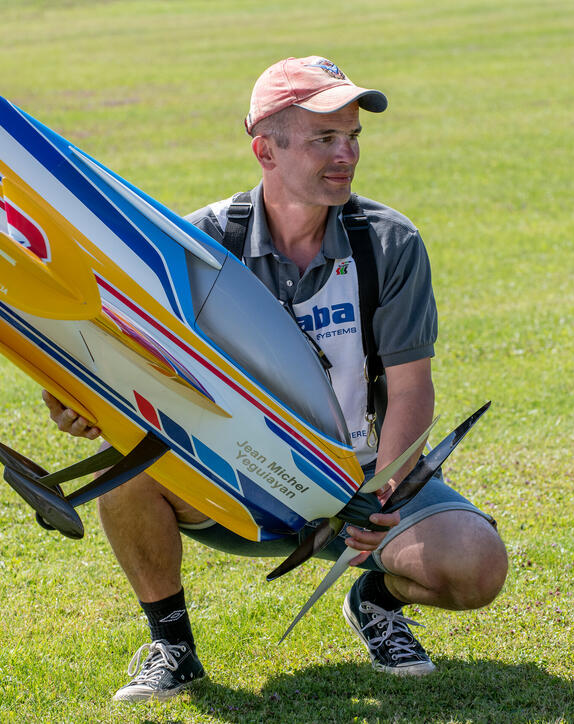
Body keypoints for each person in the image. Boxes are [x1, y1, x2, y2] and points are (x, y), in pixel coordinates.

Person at [43, 56, 508, 703]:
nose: (346, 154)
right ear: (265, 147)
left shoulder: (388, 242)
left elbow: (409, 388)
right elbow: (124, 366)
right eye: (325, 138)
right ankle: (172, 647)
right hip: (231, 478)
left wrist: (387, 491)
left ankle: (373, 601)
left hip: (357, 481)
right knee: (127, 466)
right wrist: (82, 406)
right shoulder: (197, 243)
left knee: (477, 566)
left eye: (352, 137)